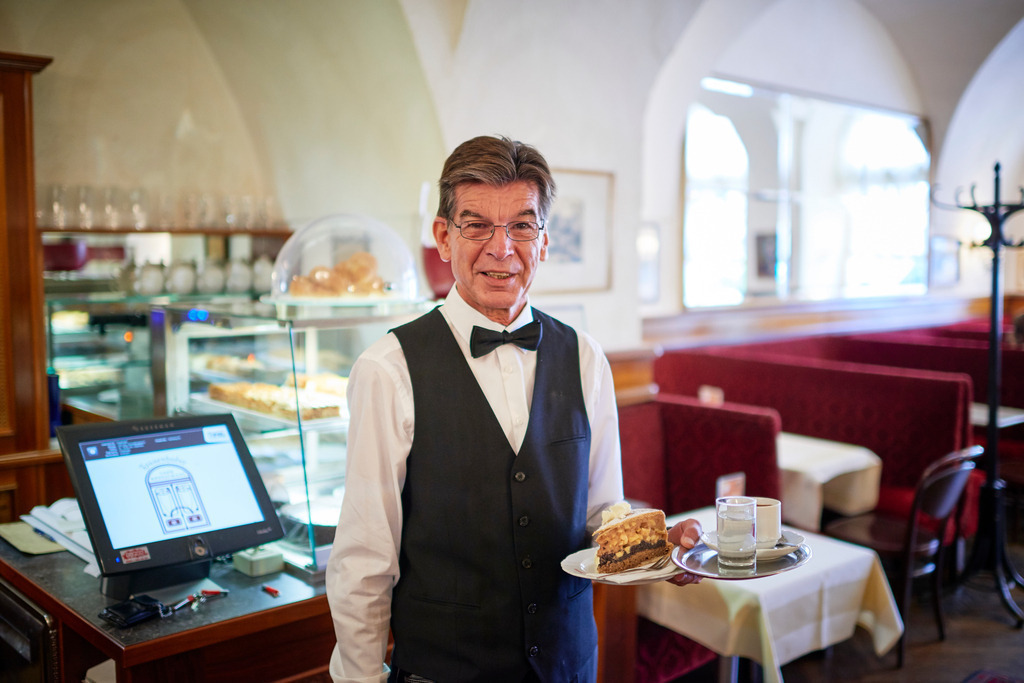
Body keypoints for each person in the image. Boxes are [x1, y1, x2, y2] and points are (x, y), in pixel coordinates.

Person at [326, 135, 702, 683]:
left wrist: (658, 553)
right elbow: (364, 561)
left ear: (543, 241)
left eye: (522, 226)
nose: (501, 249)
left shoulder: (585, 358)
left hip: (567, 664)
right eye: (476, 225)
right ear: (443, 238)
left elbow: (602, 515)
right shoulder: (388, 369)